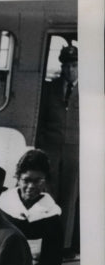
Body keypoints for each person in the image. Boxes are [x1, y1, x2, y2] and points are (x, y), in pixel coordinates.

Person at [35, 43, 78, 251]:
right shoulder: (50, 88)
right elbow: (41, 119)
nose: (69, 70)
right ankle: (46, 239)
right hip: (50, 149)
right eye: (66, 66)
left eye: (74, 65)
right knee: (48, 195)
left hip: (75, 151)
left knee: (70, 197)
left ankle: (63, 245)